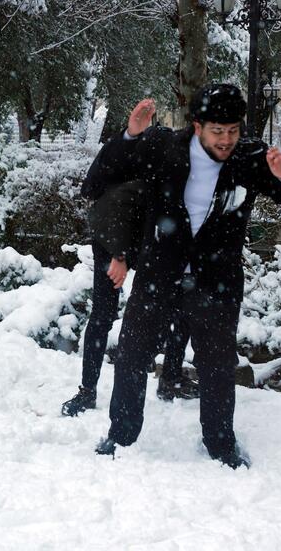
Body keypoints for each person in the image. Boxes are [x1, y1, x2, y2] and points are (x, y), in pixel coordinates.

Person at [92, 84, 281, 468]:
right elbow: (103, 176)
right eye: (217, 131)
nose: (226, 140)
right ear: (197, 127)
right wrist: (130, 135)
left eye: (233, 130)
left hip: (215, 281)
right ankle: (120, 436)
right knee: (131, 356)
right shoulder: (164, 148)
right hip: (160, 275)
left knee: (216, 367)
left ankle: (221, 445)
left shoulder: (249, 157)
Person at [61, 173, 196, 418]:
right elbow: (105, 201)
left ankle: (170, 379)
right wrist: (120, 255)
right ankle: (87, 391)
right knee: (104, 312)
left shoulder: (179, 179)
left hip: (149, 240)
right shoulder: (140, 179)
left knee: (179, 303)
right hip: (112, 238)